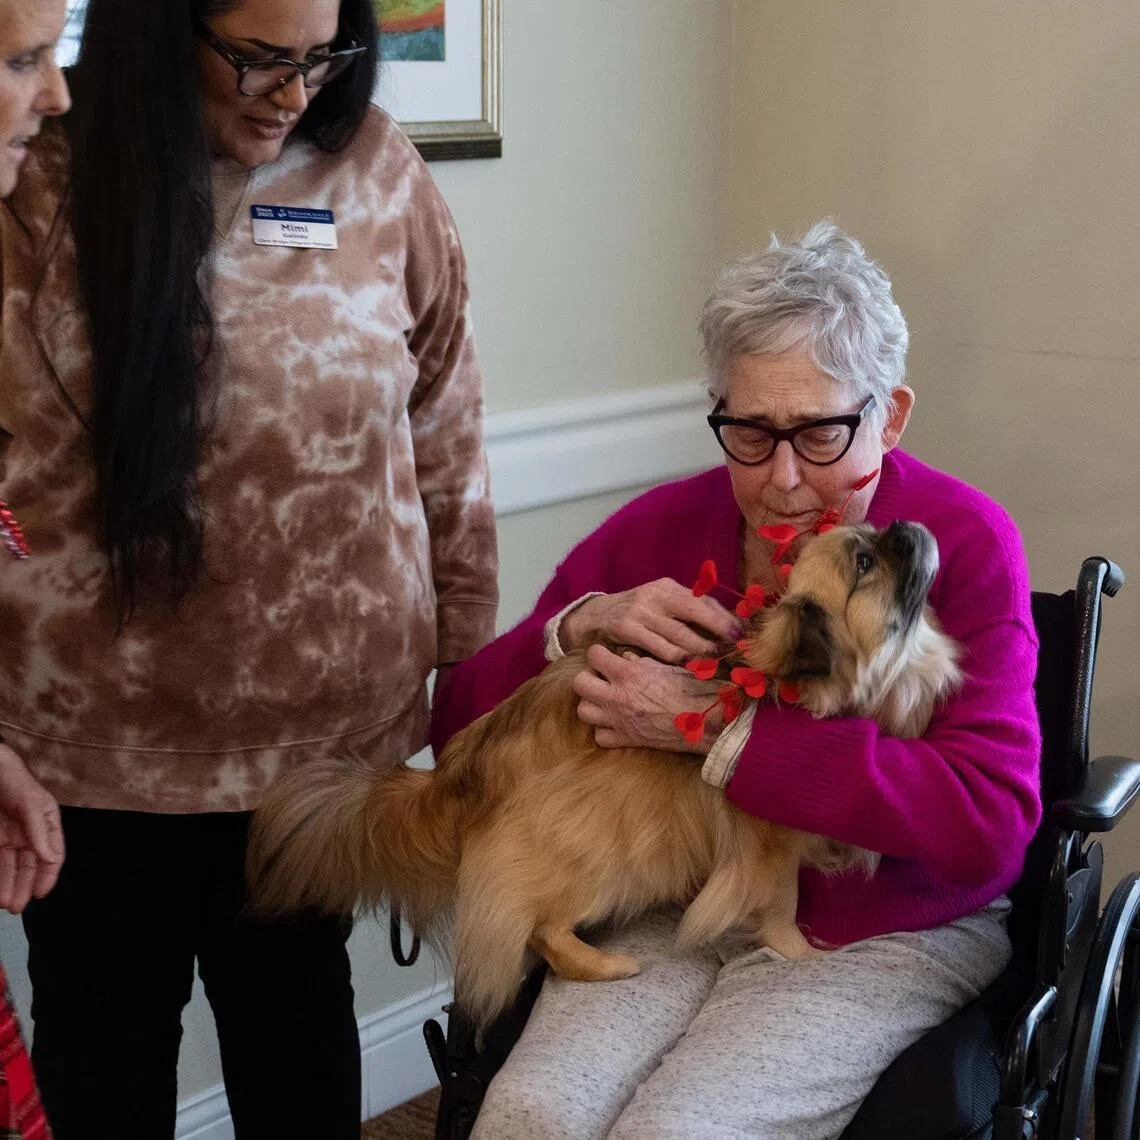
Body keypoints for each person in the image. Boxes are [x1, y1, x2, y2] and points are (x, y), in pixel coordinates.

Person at [0, 0, 497, 1137]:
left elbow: (447, 421)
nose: (295, 92)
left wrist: (464, 655)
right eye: (259, 59)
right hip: (94, 753)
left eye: (322, 57)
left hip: (312, 750)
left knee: (295, 1033)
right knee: (104, 1048)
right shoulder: (39, 174)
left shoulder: (373, 169)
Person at [431, 222, 1041, 1140]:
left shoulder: (965, 540)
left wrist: (718, 729)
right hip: (675, 901)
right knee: (529, 1116)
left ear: (892, 414)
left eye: (823, 433)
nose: (784, 480)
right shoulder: (661, 529)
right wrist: (572, 627)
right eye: (749, 433)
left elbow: (988, 825)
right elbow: (458, 731)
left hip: (878, 923)